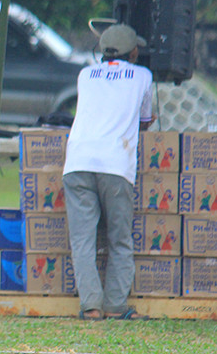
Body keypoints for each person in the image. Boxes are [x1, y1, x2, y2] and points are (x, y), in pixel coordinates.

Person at [63, 24, 154, 321]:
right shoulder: (142, 75)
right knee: (119, 237)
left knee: (83, 240)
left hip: (77, 162)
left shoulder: (85, 74)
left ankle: (90, 307)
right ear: (135, 52)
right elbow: (145, 121)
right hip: (116, 163)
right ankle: (116, 305)